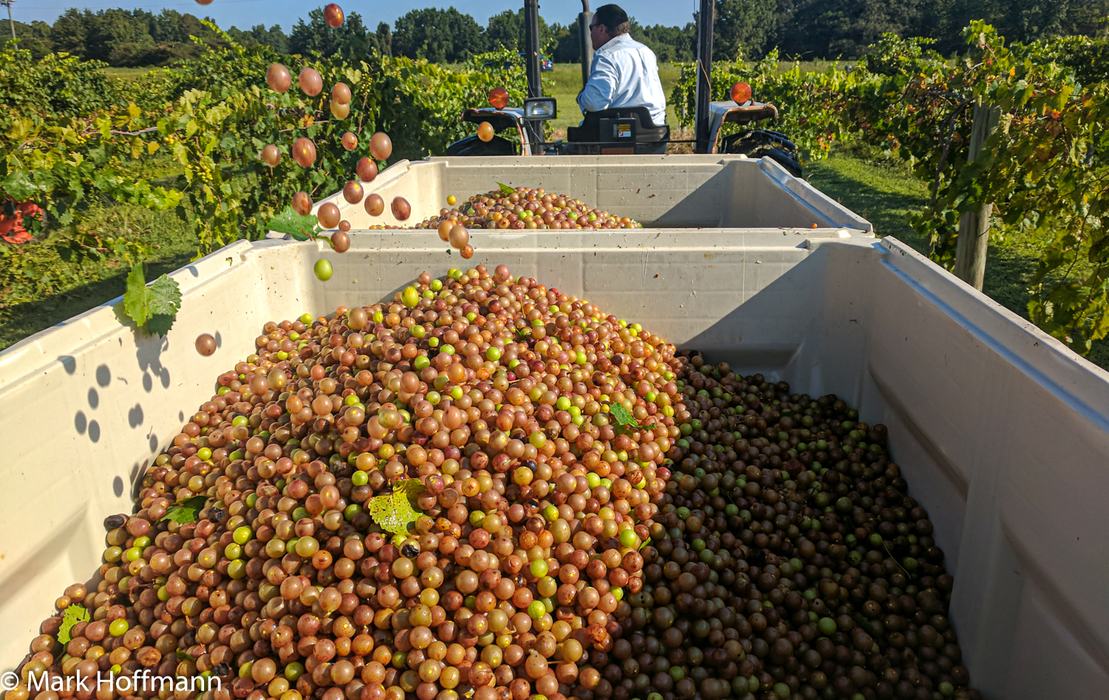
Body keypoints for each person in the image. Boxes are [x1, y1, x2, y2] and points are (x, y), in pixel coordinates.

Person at [576, 4, 667, 127]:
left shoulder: (607, 56)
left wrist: (581, 98)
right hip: (656, 133)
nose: (590, 33)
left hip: (620, 136)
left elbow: (594, 102)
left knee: (570, 143)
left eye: (591, 28)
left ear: (602, 29)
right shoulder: (647, 52)